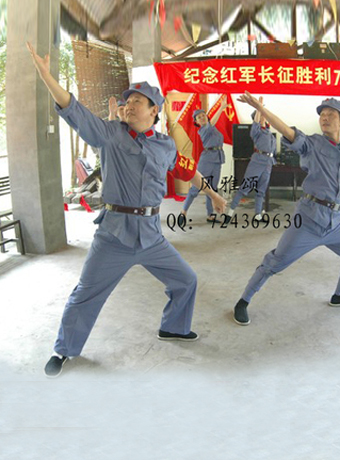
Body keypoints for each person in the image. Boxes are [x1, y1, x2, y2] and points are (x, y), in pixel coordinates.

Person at [26, 42, 226, 377]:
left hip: (151, 236)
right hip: (114, 235)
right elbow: (75, 112)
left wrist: (215, 196)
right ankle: (64, 349)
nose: (128, 105)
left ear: (154, 111)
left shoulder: (164, 144)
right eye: (127, 101)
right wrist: (47, 77)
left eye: (137, 101)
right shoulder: (110, 135)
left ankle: (173, 327)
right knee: (86, 294)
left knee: (186, 280)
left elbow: (185, 172)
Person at [232, 92, 340, 325]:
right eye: (322, 115)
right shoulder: (312, 144)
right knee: (275, 261)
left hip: (334, 223)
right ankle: (243, 301)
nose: (325, 118)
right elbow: (287, 131)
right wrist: (260, 109)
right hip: (308, 220)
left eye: (331, 115)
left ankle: (339, 295)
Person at [224, 97, 276, 223]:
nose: (265, 116)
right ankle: (230, 213)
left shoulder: (269, 133)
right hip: (257, 161)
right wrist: (259, 106)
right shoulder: (256, 131)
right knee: (245, 188)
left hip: (268, 162)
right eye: (262, 115)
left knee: (261, 190)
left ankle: (258, 215)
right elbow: (257, 122)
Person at [180, 97, 228, 223]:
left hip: (217, 158)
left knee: (212, 188)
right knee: (196, 187)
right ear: (196, 122)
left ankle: (210, 215)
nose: (202, 117)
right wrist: (221, 108)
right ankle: (183, 212)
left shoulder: (212, 129)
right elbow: (211, 123)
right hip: (207, 160)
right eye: (199, 117)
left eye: (203, 115)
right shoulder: (203, 130)